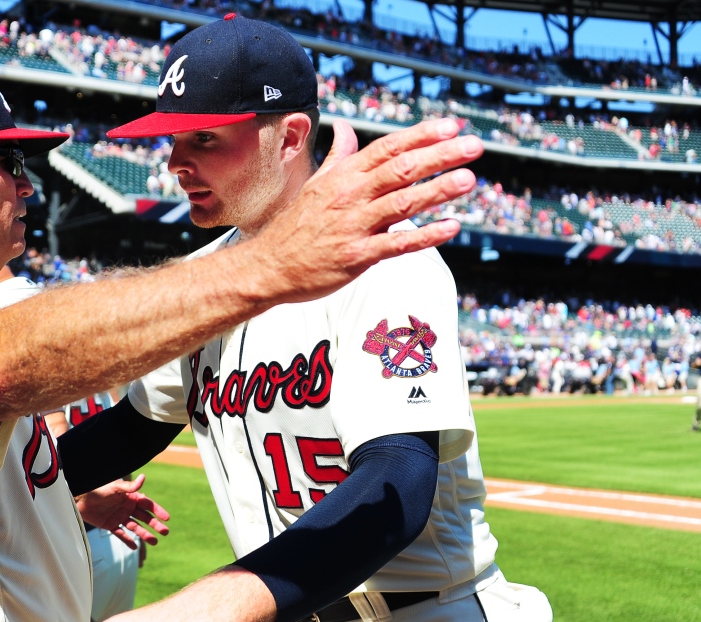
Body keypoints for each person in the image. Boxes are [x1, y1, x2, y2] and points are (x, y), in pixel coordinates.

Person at [0, 59, 476, 621]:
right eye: (4, 157)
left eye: (203, 139)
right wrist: (268, 265)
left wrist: (46, 498)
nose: (27, 185)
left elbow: (399, 479)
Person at [94, 15, 549, 621]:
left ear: (289, 137)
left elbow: (398, 486)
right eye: (171, 139)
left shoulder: (384, 256)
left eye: (203, 138)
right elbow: (132, 427)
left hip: (422, 609)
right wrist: (5, 476)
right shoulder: (206, 274)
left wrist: (205, 609)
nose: (175, 161)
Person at [0, 266, 143, 621]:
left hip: (75, 527)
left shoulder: (17, 325)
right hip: (111, 528)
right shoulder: (91, 349)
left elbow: (56, 433)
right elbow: (116, 435)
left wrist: (83, 501)